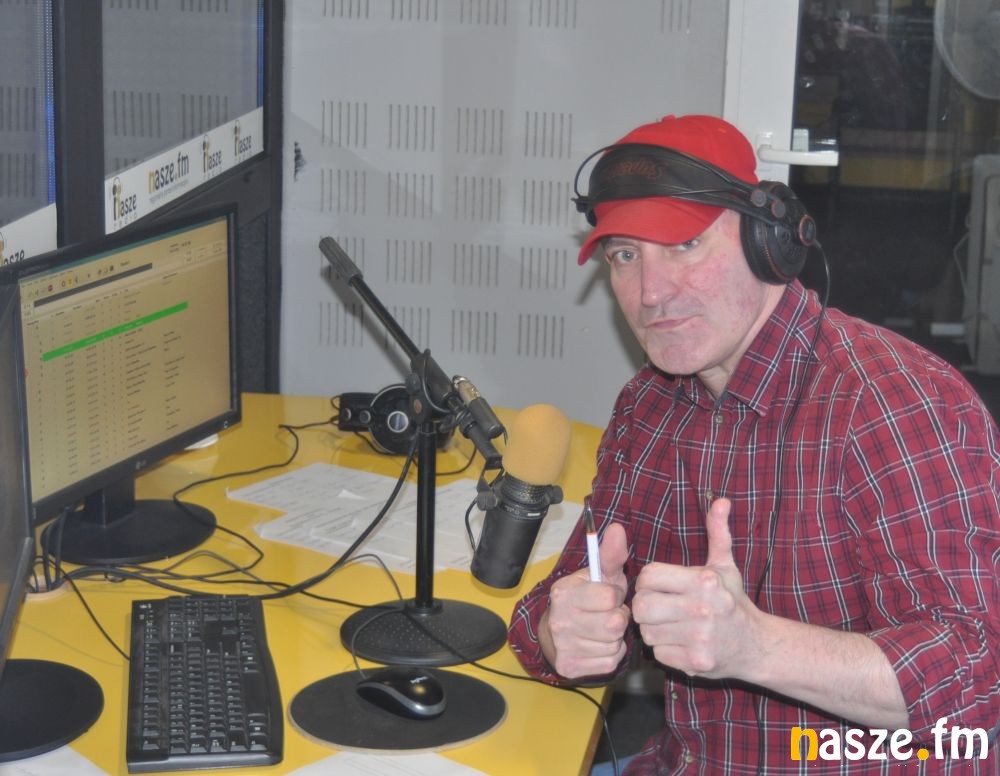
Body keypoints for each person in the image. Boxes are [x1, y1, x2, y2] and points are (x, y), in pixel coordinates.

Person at [506, 114, 1000, 774]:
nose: (650, 292)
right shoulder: (650, 406)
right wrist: (564, 631)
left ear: (769, 242)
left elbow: (976, 676)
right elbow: (564, 601)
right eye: (625, 255)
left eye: (684, 245)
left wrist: (756, 646)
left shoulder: (895, 404)